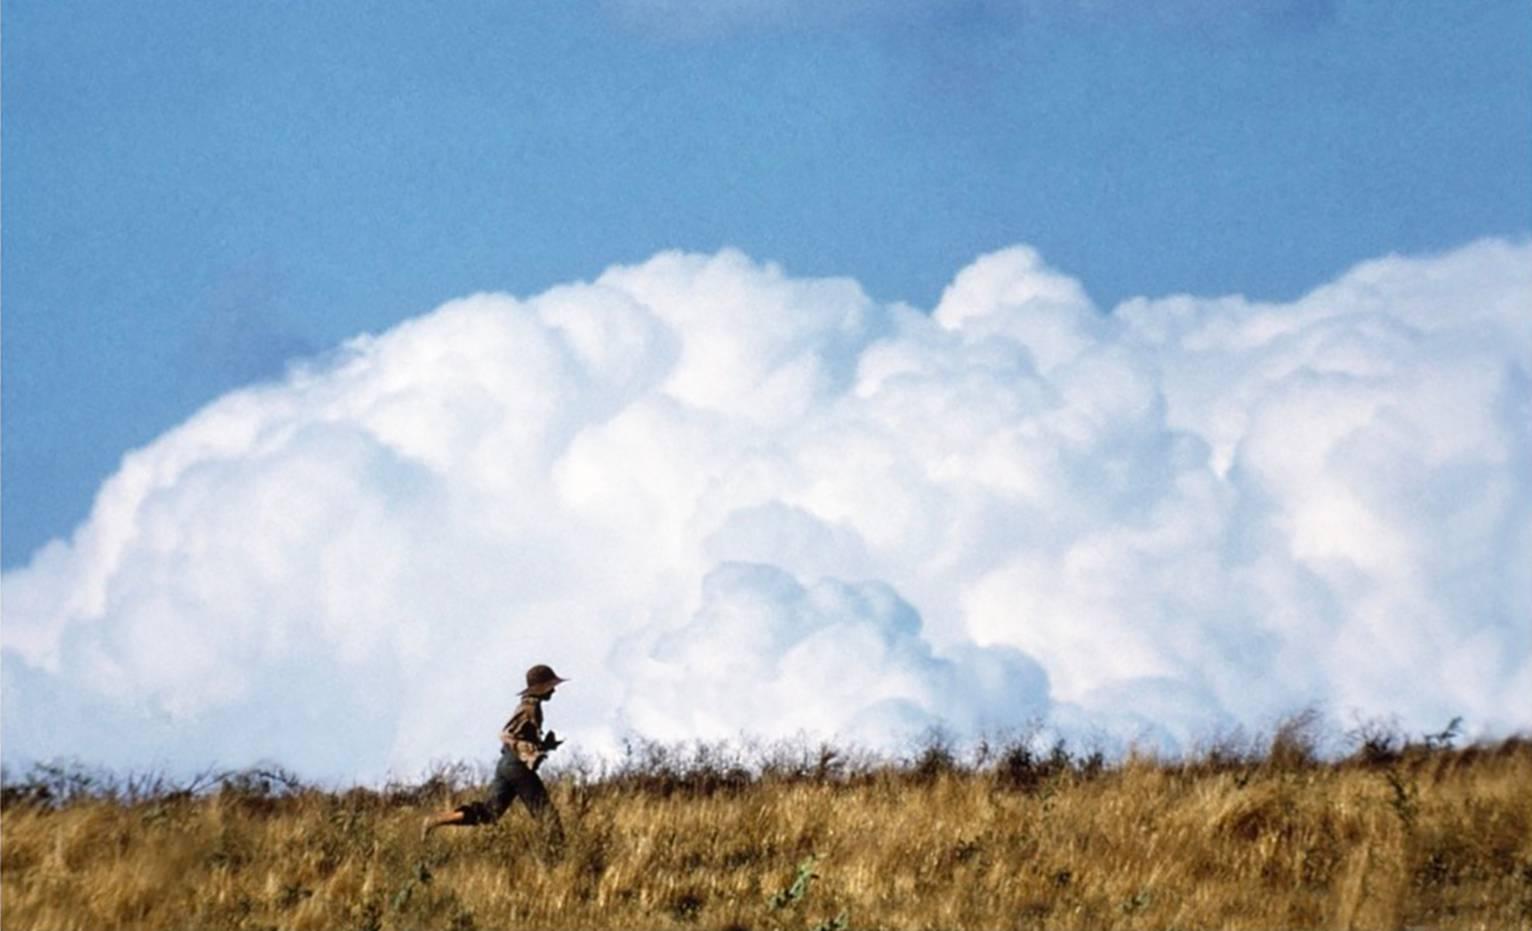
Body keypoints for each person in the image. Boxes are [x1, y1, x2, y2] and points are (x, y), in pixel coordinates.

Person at [421, 663, 569, 844]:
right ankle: (558, 856)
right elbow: (509, 734)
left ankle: (435, 821)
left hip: (507, 763)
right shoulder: (531, 707)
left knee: (490, 812)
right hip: (517, 766)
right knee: (545, 813)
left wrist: (543, 745)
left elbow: (520, 738)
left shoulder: (528, 706)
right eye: (551, 687)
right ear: (542, 688)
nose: (553, 691)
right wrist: (530, 751)